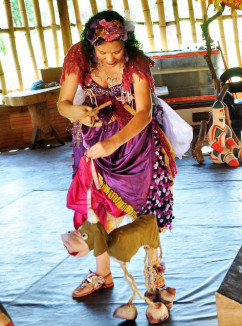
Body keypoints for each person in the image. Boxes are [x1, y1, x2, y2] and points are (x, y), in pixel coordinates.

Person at [57, 11, 189, 297]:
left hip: (134, 143)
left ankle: (154, 271)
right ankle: (102, 274)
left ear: (125, 45)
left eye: (116, 51)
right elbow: (63, 104)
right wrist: (76, 112)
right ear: (91, 45)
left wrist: (113, 143)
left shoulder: (137, 64)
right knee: (94, 207)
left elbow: (144, 113)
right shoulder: (77, 57)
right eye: (102, 52)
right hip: (93, 142)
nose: (110, 58)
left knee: (148, 209)